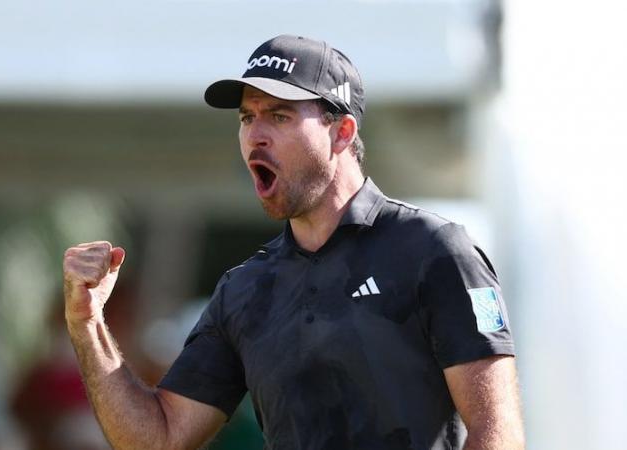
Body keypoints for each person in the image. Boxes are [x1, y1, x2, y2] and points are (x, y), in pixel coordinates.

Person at [63, 35, 525, 450]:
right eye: (247, 117)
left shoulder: (435, 251)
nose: (255, 136)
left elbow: (497, 434)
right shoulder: (245, 290)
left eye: (279, 115)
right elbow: (157, 438)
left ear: (341, 133)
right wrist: (88, 325)